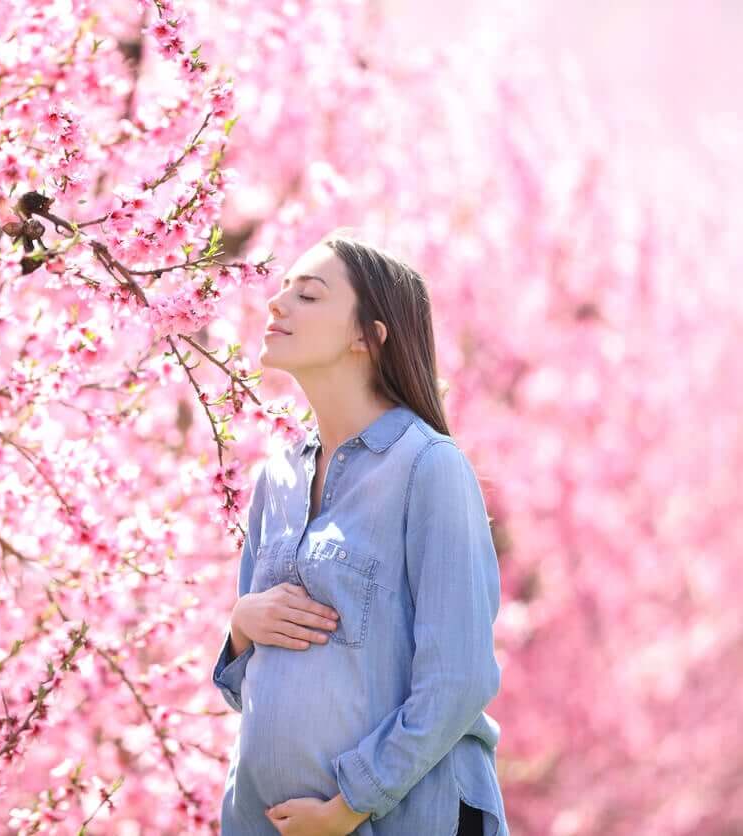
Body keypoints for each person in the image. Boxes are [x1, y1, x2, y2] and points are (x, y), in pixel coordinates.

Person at [212, 232, 508, 835]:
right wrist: (242, 625)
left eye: (308, 294)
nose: (276, 303)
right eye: (282, 288)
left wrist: (350, 805)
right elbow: (248, 691)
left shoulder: (429, 468)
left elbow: (460, 677)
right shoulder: (277, 477)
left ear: (367, 336)